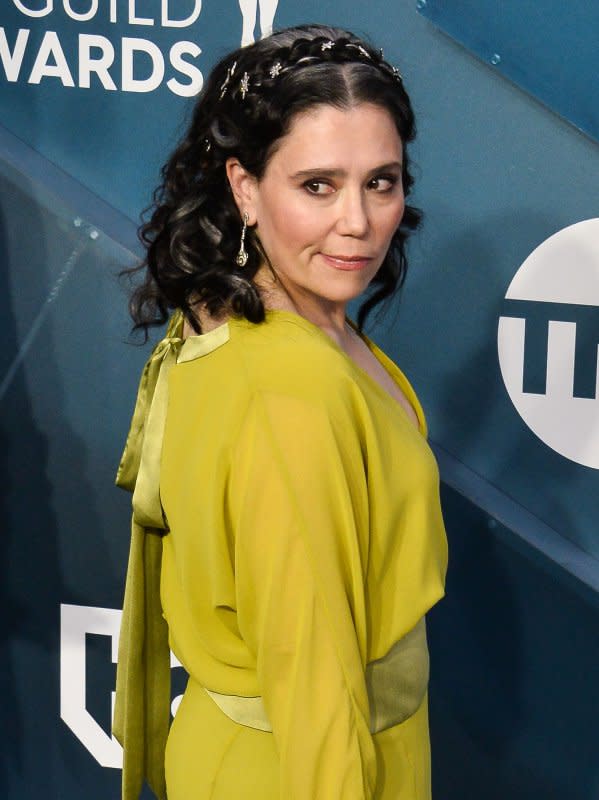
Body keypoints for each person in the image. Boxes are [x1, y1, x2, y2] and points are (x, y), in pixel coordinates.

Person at [113, 23, 448, 800]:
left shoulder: (241, 319)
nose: (358, 223)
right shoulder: (290, 387)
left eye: (381, 181)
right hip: (303, 769)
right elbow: (312, 672)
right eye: (317, 185)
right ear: (243, 187)